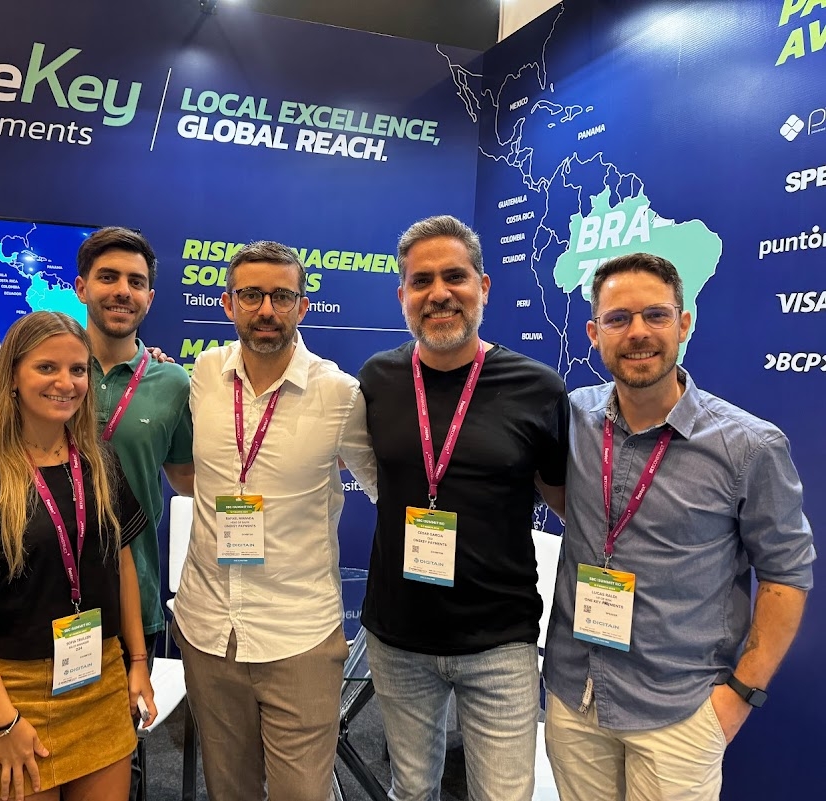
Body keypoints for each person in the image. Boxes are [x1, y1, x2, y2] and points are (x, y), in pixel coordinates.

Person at [543, 252, 815, 801]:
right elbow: (562, 495)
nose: (638, 333)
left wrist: (739, 696)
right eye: (618, 319)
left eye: (656, 315)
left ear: (683, 324)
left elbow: (787, 576)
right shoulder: (572, 417)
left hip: (679, 712)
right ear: (595, 334)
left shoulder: (749, 446)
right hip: (575, 695)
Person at [357, 214, 569, 801]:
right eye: (421, 281)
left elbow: (564, 500)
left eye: (455, 276)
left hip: (499, 638)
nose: (439, 294)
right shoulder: (378, 378)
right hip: (398, 634)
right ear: (402, 295)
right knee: (411, 791)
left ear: (484, 286)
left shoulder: (538, 388)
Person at [0, 311, 156, 801]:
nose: (66, 383)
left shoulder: (101, 464)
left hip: (101, 679)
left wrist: (137, 662)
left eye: (77, 370)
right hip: (14, 693)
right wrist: (2, 721)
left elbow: (124, 565)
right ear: (12, 377)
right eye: (47, 368)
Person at [173, 240, 377, 801]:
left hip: (299, 635)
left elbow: (386, 486)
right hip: (208, 629)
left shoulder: (339, 394)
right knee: (229, 791)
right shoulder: (204, 374)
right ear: (227, 303)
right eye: (251, 295)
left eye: (282, 297)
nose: (267, 310)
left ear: (302, 306)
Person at [74, 226, 193, 801]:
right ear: (81, 287)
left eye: (136, 282)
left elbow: (188, 480)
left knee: (118, 760)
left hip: (130, 594)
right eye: (108, 277)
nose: (123, 290)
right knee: (35, 754)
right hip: (35, 594)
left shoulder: (172, 382)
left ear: (150, 296)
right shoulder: (43, 364)